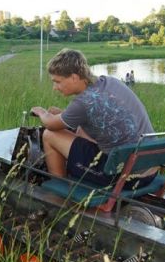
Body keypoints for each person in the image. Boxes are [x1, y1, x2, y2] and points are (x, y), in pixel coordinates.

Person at [30, 48, 157, 190]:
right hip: (148, 170)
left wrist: (42, 112)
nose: (55, 87)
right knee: (82, 128)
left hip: (125, 177)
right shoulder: (110, 82)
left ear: (74, 77)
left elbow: (51, 125)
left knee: (49, 135)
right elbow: (100, 115)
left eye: (58, 81)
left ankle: (59, 189)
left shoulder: (83, 102)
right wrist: (64, 114)